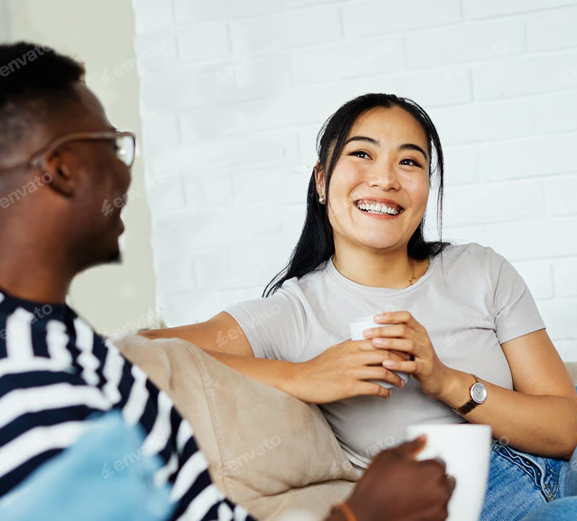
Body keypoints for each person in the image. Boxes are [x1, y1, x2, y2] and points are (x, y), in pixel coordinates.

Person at [0, 43, 455, 521]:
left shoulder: (70, 344)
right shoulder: (27, 376)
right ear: (62, 170)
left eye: (410, 162)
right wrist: (362, 514)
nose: (124, 172)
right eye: (113, 147)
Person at [144, 93, 577, 520]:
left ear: (427, 189)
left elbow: (568, 429)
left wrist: (447, 381)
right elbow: (140, 351)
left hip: (570, 455)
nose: (385, 178)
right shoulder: (290, 313)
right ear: (322, 180)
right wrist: (305, 376)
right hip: (474, 502)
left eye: (409, 162)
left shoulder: (480, 269)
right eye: (362, 154)